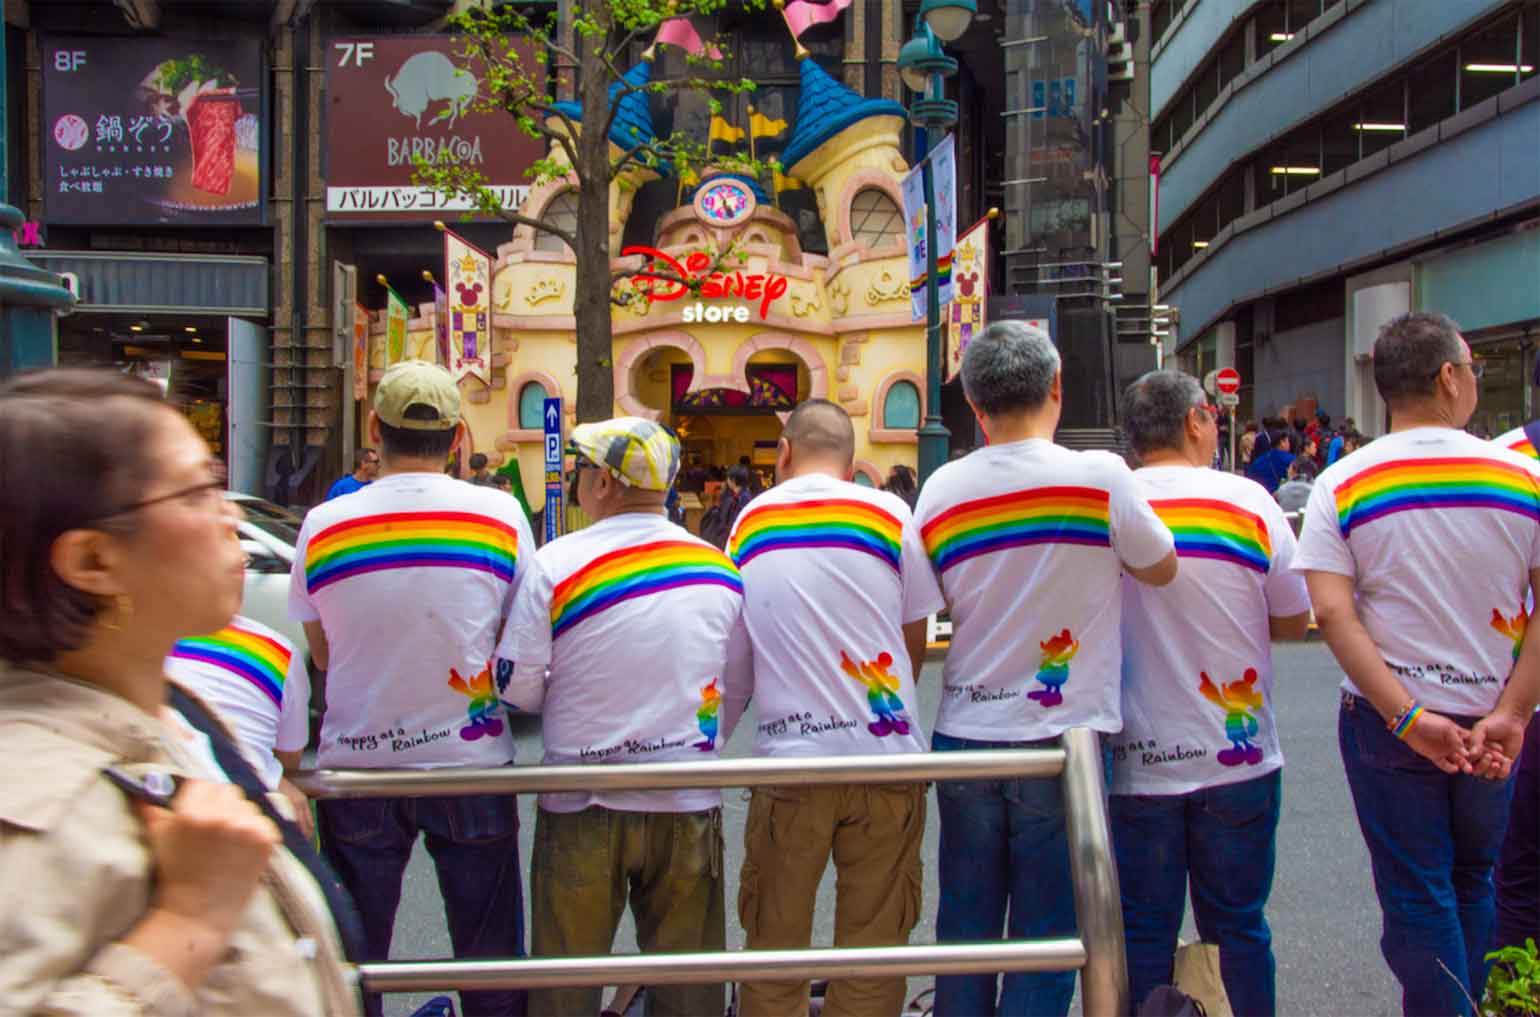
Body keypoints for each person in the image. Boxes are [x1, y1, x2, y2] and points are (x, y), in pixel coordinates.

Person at [0, 369, 360, 1014]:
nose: (230, 517)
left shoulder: (166, 710)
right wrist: (189, 922)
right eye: (199, 491)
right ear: (93, 562)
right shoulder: (35, 805)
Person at [911, 321, 1178, 1017]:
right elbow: (1160, 564)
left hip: (966, 733)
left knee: (964, 928)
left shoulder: (941, 490)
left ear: (973, 404)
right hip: (1066, 740)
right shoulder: (1099, 476)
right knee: (1051, 933)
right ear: (1057, 388)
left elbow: (922, 600)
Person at [1295, 312, 1539, 1015]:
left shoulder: (1343, 483)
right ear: (1447, 377)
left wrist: (1407, 717)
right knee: (1475, 880)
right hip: (1493, 720)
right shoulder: (1524, 477)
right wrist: (1513, 711)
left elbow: (1334, 613)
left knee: (1416, 891)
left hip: (1387, 722)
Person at [289, 360, 536, 1017]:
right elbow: (517, 636)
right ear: (458, 437)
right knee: (490, 955)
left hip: (358, 767)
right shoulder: (501, 513)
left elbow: (319, 650)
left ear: (375, 429)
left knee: (356, 953)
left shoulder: (323, 522)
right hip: (471, 764)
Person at [495, 417, 752, 1017]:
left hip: (580, 800)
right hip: (686, 799)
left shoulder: (557, 564)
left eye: (581, 471)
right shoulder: (717, 568)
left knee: (567, 984)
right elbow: (736, 686)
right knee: (688, 987)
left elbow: (518, 689)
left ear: (604, 483)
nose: (577, 483)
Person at [724, 400, 945, 1016]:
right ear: (851, 465)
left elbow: (739, 655)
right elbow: (914, 636)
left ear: (784, 453)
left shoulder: (751, 523)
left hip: (790, 767)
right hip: (887, 764)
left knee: (774, 946)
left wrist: (713, 738)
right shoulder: (890, 514)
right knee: (875, 950)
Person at [1113, 371, 1313, 1015]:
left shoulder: (1107, 509)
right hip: (1241, 758)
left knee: (1143, 929)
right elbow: (1291, 619)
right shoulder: (1250, 504)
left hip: (1134, 760)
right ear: (1199, 421)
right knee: (1238, 927)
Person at [164, 613, 315, 836]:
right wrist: (270, 776)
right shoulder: (276, 649)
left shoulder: (128, 643)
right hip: (251, 814)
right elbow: (289, 761)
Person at [1491, 419, 1540, 953]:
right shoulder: (1506, 462)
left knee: (1518, 875)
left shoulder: (1501, 458)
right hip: (1524, 702)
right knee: (1519, 870)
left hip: (1518, 697)